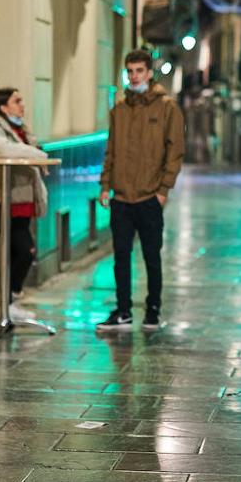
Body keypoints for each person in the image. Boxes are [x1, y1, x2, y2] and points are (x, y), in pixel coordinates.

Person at [97, 49, 185, 331]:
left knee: (151, 256)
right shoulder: (119, 110)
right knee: (121, 257)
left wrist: (163, 190)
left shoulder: (167, 108)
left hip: (149, 197)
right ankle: (123, 311)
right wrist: (105, 186)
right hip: (121, 197)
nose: (134, 76)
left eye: (139, 71)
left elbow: (175, 151)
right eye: (130, 71)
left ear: (149, 73)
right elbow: (110, 150)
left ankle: (153, 309)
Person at [0, 87, 50, 323]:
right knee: (25, 251)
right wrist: (36, 154)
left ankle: (8, 304)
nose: (22, 105)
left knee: (15, 253)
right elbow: (7, 150)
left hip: (24, 199)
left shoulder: (21, 129)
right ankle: (7, 301)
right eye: (17, 101)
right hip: (7, 200)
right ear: (4, 107)